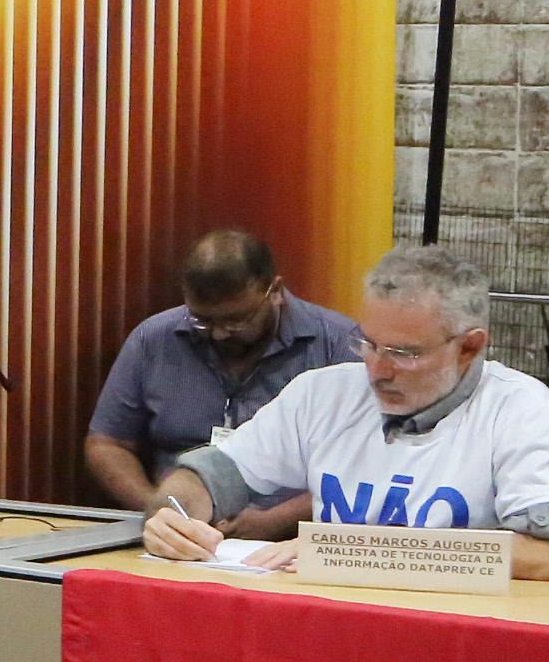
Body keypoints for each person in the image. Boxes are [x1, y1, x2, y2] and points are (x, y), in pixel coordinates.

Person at [142, 241, 549, 582]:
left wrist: (351, 551)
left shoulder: (520, 410)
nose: (377, 370)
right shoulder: (324, 394)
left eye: (404, 353)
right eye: (369, 344)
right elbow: (206, 477)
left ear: (469, 347)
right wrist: (173, 515)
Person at [86, 227, 360, 533]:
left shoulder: (339, 344)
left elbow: (363, 467)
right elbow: (107, 444)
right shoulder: (153, 339)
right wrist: (160, 511)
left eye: (236, 321)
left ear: (275, 291)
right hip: (178, 534)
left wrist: (275, 522)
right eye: (202, 320)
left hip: (293, 539)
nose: (218, 334)